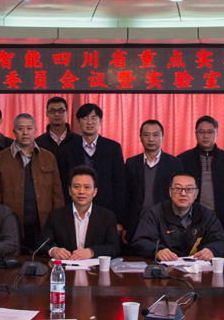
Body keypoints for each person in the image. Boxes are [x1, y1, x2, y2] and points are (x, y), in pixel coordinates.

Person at [0, 114, 64, 249]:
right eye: (20, 128)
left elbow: (57, 195)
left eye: (29, 128)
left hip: (44, 224)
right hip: (11, 225)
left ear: (35, 131)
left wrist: (58, 225)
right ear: (13, 132)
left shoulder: (48, 157)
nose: (25, 133)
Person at [56, 103, 126, 233]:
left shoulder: (113, 148)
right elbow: (63, 184)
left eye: (94, 118)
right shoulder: (67, 149)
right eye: (85, 118)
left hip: (106, 212)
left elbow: (119, 185)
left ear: (100, 121)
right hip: (75, 212)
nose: (89, 122)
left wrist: (119, 220)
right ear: (78, 122)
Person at [131, 172, 224, 261]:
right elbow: (140, 242)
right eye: (178, 189)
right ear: (170, 192)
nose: (183, 194)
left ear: (196, 193)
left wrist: (212, 250)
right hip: (164, 271)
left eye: (189, 189)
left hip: (197, 271)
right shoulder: (154, 214)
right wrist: (157, 251)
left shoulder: (206, 215)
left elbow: (222, 242)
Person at [177, 116, 224, 252]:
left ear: (217, 134)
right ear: (195, 134)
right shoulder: (183, 159)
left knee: (219, 253)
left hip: (221, 217)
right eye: (201, 132)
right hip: (191, 218)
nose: (205, 136)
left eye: (210, 132)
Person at [39, 165, 120, 260]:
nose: (81, 191)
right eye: (76, 187)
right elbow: (40, 244)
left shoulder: (107, 217)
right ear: (70, 190)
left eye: (87, 187)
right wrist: (53, 251)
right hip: (66, 267)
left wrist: (91, 252)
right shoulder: (56, 216)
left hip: (94, 268)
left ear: (95, 192)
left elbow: (115, 247)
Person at [126, 120, 184, 242]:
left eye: (156, 135)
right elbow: (125, 195)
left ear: (163, 137)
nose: (151, 139)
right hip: (136, 222)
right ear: (140, 138)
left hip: (165, 222)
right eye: (146, 135)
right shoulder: (131, 163)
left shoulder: (174, 163)